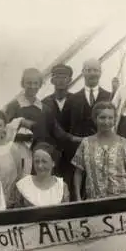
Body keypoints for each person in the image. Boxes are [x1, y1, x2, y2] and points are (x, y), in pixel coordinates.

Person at [61, 58, 111, 200]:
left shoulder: (109, 96)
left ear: (100, 73)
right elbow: (65, 126)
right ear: (83, 73)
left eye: (95, 70)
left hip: (103, 149)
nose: (92, 73)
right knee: (79, 189)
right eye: (88, 70)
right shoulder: (72, 99)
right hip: (77, 151)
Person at [72, 102, 126, 200]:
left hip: (122, 200)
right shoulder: (86, 143)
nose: (106, 122)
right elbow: (78, 173)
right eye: (102, 117)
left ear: (115, 119)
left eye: (110, 118)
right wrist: (78, 198)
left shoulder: (125, 144)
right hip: (94, 200)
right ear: (95, 119)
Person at [3, 68, 81, 150]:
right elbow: (2, 130)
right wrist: (19, 122)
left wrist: (80, 139)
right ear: (23, 84)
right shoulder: (13, 106)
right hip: (18, 153)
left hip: (40, 155)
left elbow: (59, 133)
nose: (32, 86)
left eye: (35, 83)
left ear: (40, 85)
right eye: (29, 83)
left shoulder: (45, 109)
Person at [42, 64, 75, 197]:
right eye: (57, 77)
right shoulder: (45, 103)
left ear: (70, 80)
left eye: (64, 77)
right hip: (52, 152)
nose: (61, 81)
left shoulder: (77, 100)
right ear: (52, 80)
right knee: (52, 186)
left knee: (71, 185)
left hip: (72, 152)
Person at [14, 142, 70, 208]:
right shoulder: (23, 184)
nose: (40, 166)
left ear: (53, 163)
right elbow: (17, 215)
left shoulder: (61, 187)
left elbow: (66, 214)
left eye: (44, 161)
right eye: (37, 161)